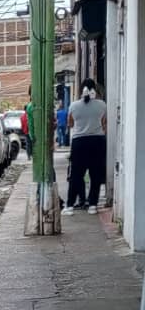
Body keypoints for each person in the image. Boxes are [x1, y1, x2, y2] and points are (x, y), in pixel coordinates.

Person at [62, 79, 107, 216]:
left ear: (81, 90)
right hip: (97, 141)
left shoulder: (74, 106)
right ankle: (92, 205)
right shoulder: (102, 105)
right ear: (95, 90)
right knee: (95, 174)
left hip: (79, 142)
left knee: (76, 174)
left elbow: (70, 124)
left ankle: (69, 206)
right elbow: (104, 123)